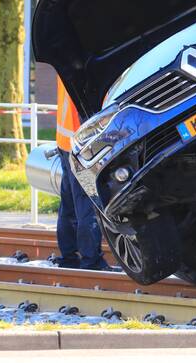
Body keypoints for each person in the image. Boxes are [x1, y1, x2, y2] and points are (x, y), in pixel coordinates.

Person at [54, 81, 109, 270]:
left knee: (69, 204)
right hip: (81, 148)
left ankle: (69, 256)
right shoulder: (81, 68)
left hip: (65, 143)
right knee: (87, 204)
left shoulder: (65, 64)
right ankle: (91, 260)